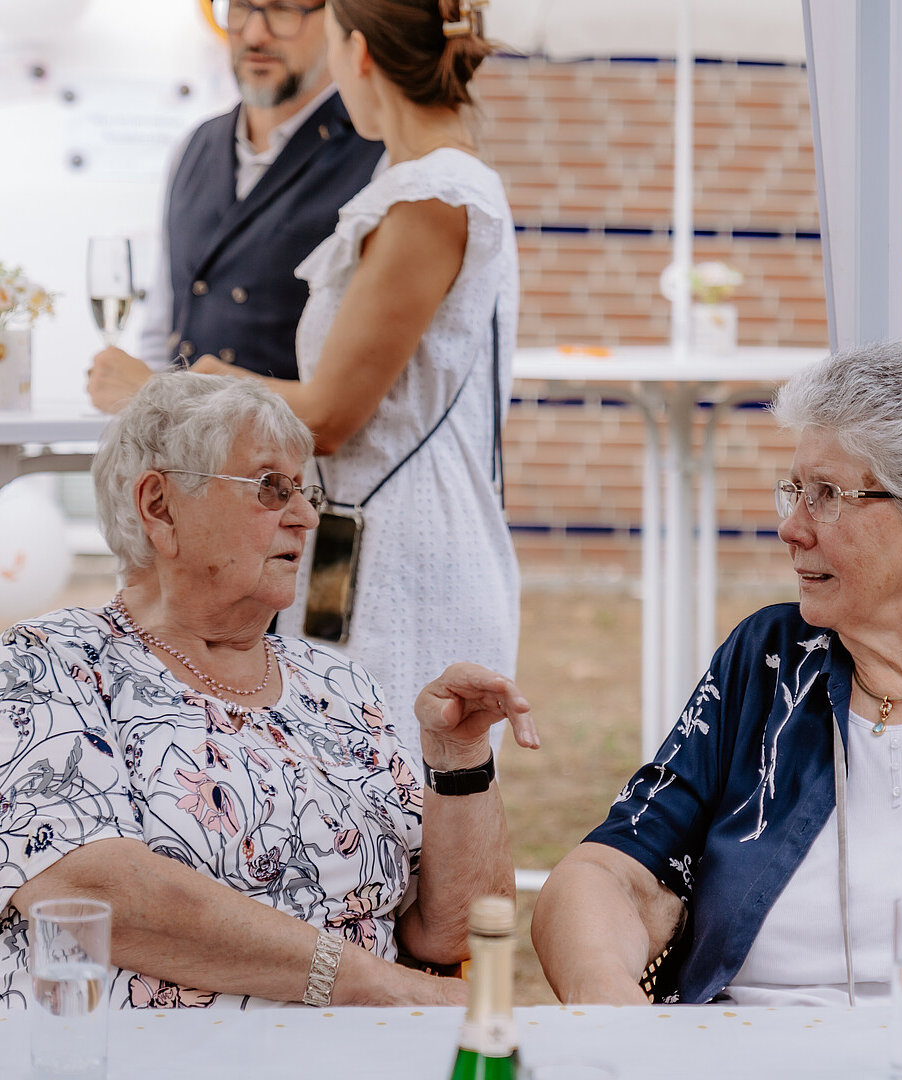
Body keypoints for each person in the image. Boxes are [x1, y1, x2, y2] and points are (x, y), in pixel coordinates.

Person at [532, 341, 902, 1006]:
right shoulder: (770, 659)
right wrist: (607, 1002)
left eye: (827, 495)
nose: (791, 528)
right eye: (794, 490)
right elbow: (612, 873)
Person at [0, 373, 537, 1011]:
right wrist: (373, 986)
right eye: (271, 488)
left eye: (304, 490)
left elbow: (453, 933)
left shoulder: (337, 684)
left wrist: (458, 760)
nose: (307, 516)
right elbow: (97, 891)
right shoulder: (43, 664)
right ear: (161, 507)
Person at [166, 0, 520, 768]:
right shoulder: (413, 183)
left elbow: (328, 415)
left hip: (405, 556)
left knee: (403, 819)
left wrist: (203, 378)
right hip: (354, 543)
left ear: (358, 54)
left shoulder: (435, 196)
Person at [87, 0, 384, 399]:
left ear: (335, 21)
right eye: (241, 7)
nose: (255, 34)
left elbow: (368, 384)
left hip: (300, 457)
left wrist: (151, 391)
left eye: (283, 10)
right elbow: (162, 325)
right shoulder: (192, 146)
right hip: (186, 455)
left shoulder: (379, 155)